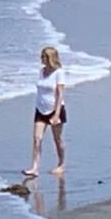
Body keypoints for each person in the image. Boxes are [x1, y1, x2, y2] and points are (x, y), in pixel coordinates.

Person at [25, 45, 66, 177]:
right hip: (40, 109)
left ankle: (61, 164)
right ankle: (34, 167)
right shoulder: (41, 71)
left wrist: (56, 114)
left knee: (57, 139)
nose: (41, 58)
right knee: (37, 139)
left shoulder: (59, 73)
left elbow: (60, 94)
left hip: (55, 109)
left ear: (50, 58)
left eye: (43, 56)